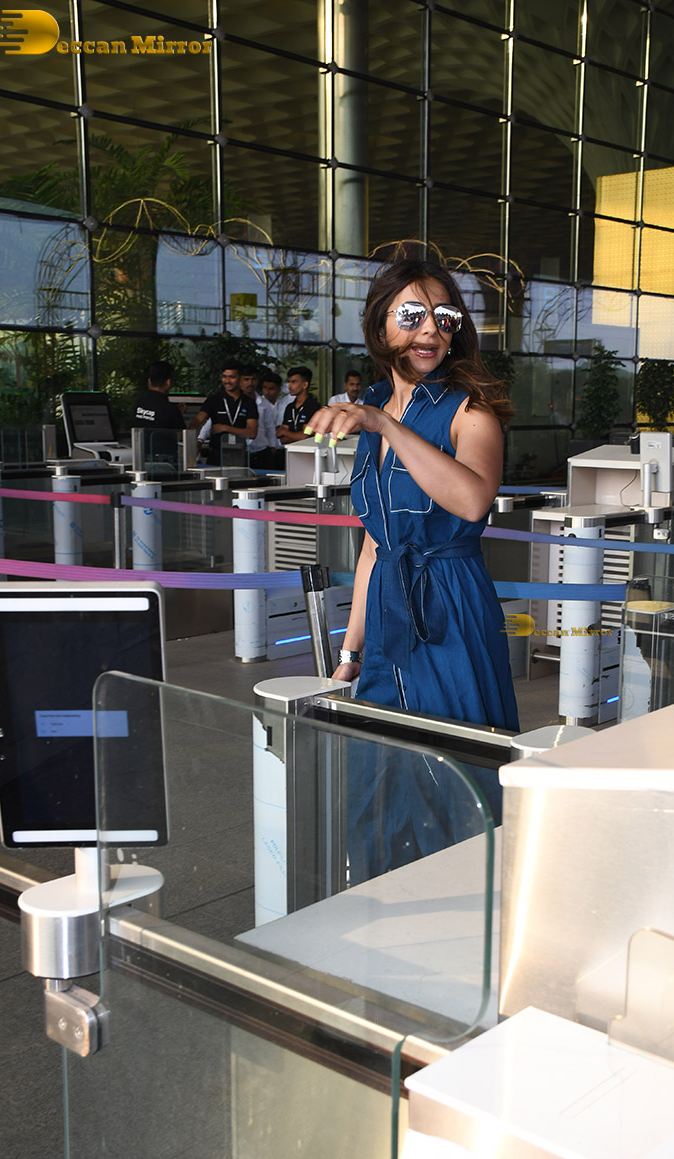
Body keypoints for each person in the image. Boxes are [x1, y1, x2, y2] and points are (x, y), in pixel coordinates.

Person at [304, 257, 518, 879]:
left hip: (450, 607)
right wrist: (350, 652)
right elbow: (376, 545)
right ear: (380, 325)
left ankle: (473, 900)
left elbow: (472, 500)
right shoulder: (373, 406)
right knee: (378, 775)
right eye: (413, 315)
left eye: (445, 317)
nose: (432, 330)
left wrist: (384, 425)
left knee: (457, 770)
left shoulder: (469, 411)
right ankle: (386, 900)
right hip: (388, 614)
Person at [190, 360, 258, 465]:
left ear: (240, 378)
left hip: (238, 455)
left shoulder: (248, 402)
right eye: (224, 377)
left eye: (232, 377)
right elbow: (199, 419)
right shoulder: (214, 400)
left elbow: (252, 433)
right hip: (216, 455)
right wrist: (191, 432)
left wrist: (225, 428)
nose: (227, 381)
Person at [241, 364, 282, 468]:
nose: (250, 383)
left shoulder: (264, 403)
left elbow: (270, 427)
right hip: (239, 451)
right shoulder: (234, 402)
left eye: (253, 379)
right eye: (246, 379)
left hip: (261, 450)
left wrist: (273, 446)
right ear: (240, 380)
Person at [131, 361, 185, 429]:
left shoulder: (138, 403)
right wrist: (193, 423)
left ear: (149, 381)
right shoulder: (170, 410)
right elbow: (182, 434)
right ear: (168, 382)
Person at [277, 366, 319, 445]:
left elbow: (305, 436)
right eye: (289, 382)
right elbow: (282, 439)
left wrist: (285, 432)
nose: (289, 385)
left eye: (294, 382)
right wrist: (295, 435)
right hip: (290, 451)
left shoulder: (313, 406)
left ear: (305, 385)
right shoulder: (290, 407)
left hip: (309, 451)